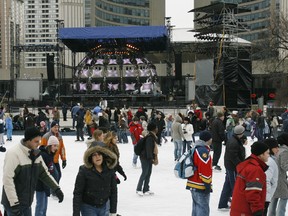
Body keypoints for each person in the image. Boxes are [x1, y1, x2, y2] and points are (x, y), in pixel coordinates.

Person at [1, 127, 64, 216]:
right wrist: (14, 204)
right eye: (36, 141)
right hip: (12, 204)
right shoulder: (13, 154)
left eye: (39, 141)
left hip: (26, 203)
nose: (39, 144)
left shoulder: (36, 154)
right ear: (28, 140)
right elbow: (8, 180)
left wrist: (56, 188)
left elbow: (44, 173)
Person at [73, 145, 118, 216]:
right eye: (94, 155)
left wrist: (113, 211)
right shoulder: (84, 171)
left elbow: (113, 191)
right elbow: (78, 192)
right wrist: (76, 213)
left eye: (99, 154)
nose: (97, 157)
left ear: (103, 155)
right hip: (88, 207)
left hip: (105, 206)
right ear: (90, 157)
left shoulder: (109, 170)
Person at [230, 141, 270, 216]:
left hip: (239, 209)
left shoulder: (248, 164)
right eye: (267, 153)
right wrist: (257, 211)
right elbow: (253, 193)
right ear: (261, 154)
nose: (269, 155)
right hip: (246, 211)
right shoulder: (255, 169)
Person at [218, 125, 246, 210]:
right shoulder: (234, 142)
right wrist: (240, 165)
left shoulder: (234, 140)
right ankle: (237, 205)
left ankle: (222, 204)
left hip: (231, 166)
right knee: (235, 186)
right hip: (233, 167)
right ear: (241, 133)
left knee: (228, 185)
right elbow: (233, 156)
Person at [186, 131, 213, 216]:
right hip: (200, 184)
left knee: (196, 207)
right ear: (207, 139)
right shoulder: (203, 151)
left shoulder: (196, 148)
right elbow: (204, 168)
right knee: (202, 208)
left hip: (193, 182)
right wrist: (207, 183)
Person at [35, 135, 60, 216]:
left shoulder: (49, 155)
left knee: (44, 207)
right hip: (40, 185)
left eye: (57, 146)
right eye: (54, 145)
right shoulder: (43, 155)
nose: (56, 148)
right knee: (40, 207)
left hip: (46, 185)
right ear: (49, 145)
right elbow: (41, 173)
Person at [268, 133, 288, 216]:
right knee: (284, 196)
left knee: (274, 197)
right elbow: (285, 166)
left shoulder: (277, 149)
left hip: (274, 177)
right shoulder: (284, 151)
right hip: (280, 178)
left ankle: (271, 214)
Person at [136, 122, 158, 196]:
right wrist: (150, 158)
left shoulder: (152, 136)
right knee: (144, 173)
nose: (157, 129)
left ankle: (146, 188)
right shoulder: (149, 137)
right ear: (154, 129)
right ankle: (138, 189)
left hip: (147, 157)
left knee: (148, 173)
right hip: (145, 157)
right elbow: (148, 149)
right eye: (156, 127)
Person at [263, 138, 279, 216]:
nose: (277, 149)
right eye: (275, 147)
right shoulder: (269, 161)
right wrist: (266, 199)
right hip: (264, 197)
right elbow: (266, 180)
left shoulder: (270, 159)